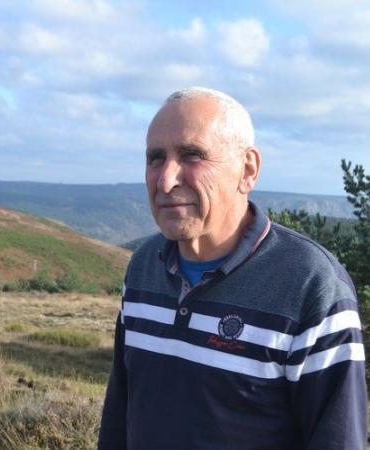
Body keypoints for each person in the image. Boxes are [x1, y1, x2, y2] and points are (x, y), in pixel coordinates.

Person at [98, 87, 366, 449]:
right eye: (155, 158)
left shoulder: (311, 285)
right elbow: (120, 410)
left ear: (248, 169)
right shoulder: (145, 265)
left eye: (192, 155)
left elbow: (336, 439)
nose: (165, 179)